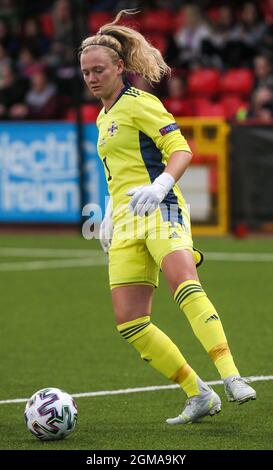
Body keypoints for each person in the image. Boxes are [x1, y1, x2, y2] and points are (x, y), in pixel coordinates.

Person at [79, 10, 256, 425]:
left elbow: (181, 150)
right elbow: (117, 173)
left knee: (184, 283)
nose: (91, 78)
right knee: (131, 322)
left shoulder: (142, 104)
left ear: (120, 67)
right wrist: (108, 214)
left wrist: (160, 187)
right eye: (85, 72)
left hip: (161, 208)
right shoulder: (103, 117)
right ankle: (199, 394)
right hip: (125, 220)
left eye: (98, 70)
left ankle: (232, 377)